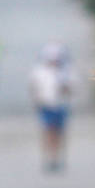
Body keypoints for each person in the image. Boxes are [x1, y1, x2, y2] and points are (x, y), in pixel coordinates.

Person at [29, 42, 73, 172]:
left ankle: (57, 157)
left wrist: (65, 88)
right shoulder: (39, 72)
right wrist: (36, 101)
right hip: (46, 106)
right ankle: (49, 157)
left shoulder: (66, 71)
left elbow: (72, 88)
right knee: (48, 132)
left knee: (59, 133)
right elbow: (33, 87)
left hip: (61, 106)